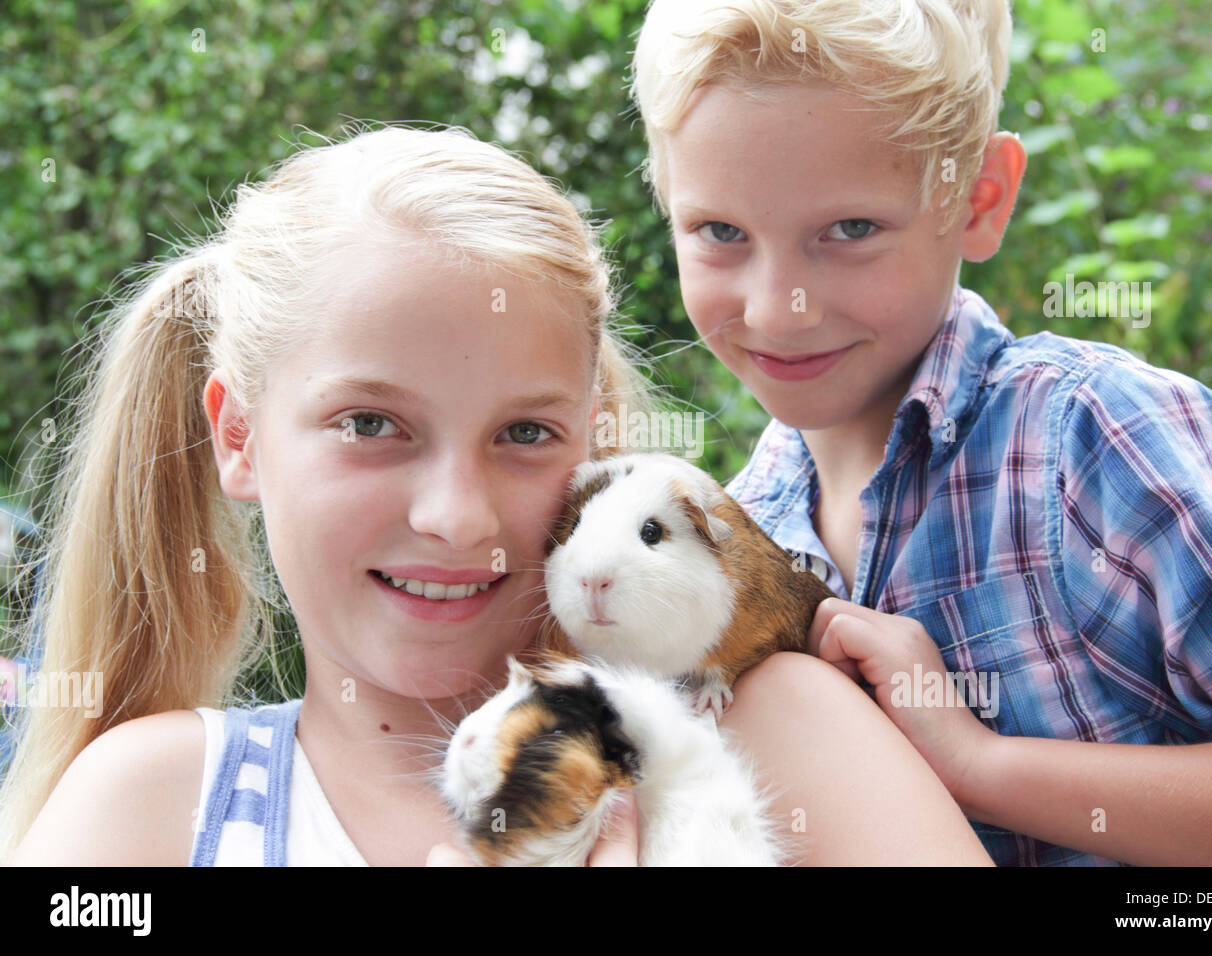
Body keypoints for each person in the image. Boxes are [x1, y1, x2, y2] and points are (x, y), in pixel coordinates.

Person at [0, 123, 992, 866]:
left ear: (595, 445)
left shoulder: (766, 736)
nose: (456, 515)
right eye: (369, 424)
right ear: (239, 436)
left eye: (524, 434)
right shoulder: (151, 811)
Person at [630, 0, 1212, 865]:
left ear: (980, 201)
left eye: (850, 230)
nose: (776, 309)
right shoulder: (738, 536)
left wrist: (979, 764)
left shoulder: (1094, 438)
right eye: (720, 232)